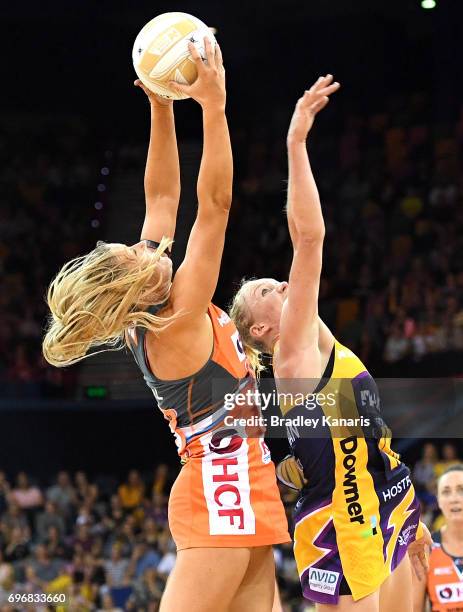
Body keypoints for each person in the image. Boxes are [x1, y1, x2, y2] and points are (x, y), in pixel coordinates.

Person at [42, 38, 289, 612]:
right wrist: (214, 106)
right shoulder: (175, 316)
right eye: (135, 254)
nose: (147, 244)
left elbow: (160, 194)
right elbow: (215, 206)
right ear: (134, 291)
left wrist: (160, 104)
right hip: (218, 486)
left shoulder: (151, 294)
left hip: (246, 475)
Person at [229, 74, 431, 611]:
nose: (280, 282)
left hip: (376, 499)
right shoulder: (294, 353)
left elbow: (368, 437)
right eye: (267, 291)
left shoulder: (317, 343)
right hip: (342, 523)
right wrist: (296, 143)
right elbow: (310, 236)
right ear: (261, 332)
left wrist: (408, 509)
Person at [413, 465, 463, 612]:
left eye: (461, 490)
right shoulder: (426, 548)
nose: (454, 498)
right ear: (439, 500)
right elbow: (415, 608)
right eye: (446, 492)